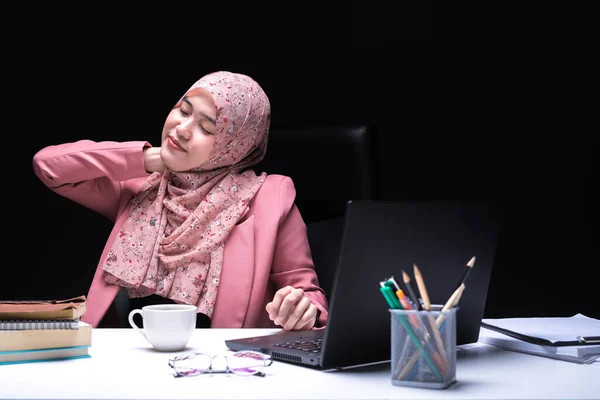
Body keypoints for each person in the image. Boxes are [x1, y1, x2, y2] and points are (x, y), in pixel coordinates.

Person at [32, 71, 328, 331]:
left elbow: (308, 294)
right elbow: (49, 167)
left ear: (234, 145)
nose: (182, 129)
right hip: (126, 362)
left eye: (207, 128)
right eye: (183, 110)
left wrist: (302, 310)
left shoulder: (269, 198)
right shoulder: (141, 185)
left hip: (221, 371)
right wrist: (147, 158)